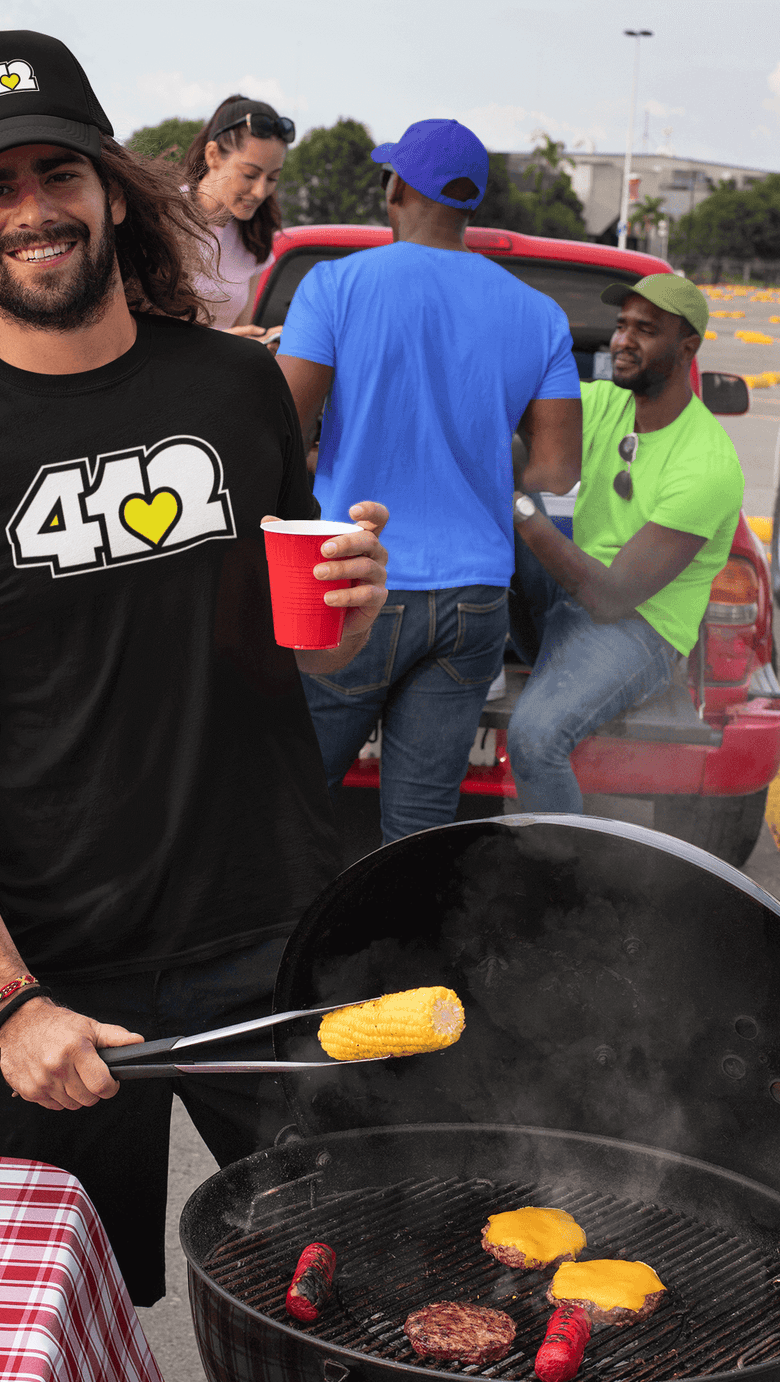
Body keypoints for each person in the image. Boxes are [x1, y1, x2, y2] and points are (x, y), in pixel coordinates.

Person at [0, 28, 388, 1308]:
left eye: (55, 173)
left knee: (347, 1290)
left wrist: (352, 608)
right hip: (59, 973)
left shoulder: (237, 395)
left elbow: (306, 638)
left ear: (110, 188)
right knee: (52, 1331)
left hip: (276, 935)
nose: (32, 210)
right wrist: (8, 999)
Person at [277, 119, 581, 844]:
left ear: (400, 189)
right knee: (419, 827)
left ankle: (276, 948)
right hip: (477, 598)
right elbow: (557, 471)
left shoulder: (336, 287)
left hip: (356, 584)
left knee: (292, 797)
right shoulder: (539, 316)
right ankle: (399, 953)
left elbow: (278, 430)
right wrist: (475, 458)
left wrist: (327, 459)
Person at [506, 273, 744, 814]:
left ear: (687, 348)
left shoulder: (706, 464)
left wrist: (516, 506)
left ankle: (557, 884)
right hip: (568, 602)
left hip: (638, 630)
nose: (622, 341)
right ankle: (441, 646)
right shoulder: (607, 403)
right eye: (620, 326)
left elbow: (612, 598)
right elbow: (514, 405)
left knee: (535, 740)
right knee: (499, 446)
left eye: (645, 329)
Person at [185, 95, 294, 344]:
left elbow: (241, 333)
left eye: (272, 178)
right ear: (213, 155)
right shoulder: (161, 218)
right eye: (250, 174)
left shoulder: (254, 239)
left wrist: (260, 344)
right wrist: (220, 343)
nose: (260, 191)